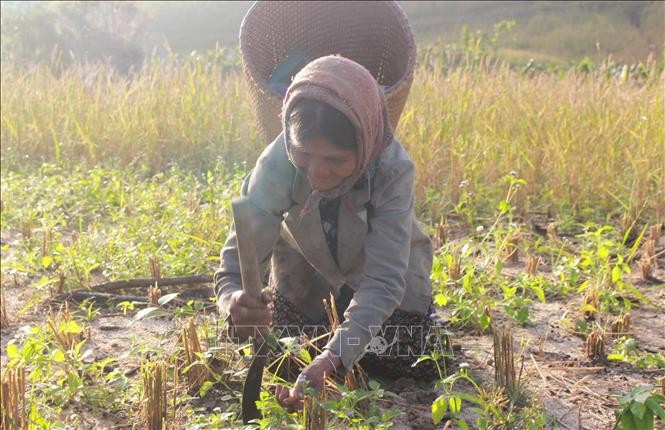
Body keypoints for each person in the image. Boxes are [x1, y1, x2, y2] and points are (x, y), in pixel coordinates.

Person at [214, 55, 437, 412]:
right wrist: (234, 299)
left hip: (380, 267)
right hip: (309, 260)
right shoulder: (276, 162)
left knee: (398, 356)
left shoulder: (392, 169)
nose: (317, 175)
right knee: (288, 352)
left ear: (363, 145)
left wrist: (331, 359)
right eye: (305, 157)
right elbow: (234, 269)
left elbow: (383, 281)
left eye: (335, 161)